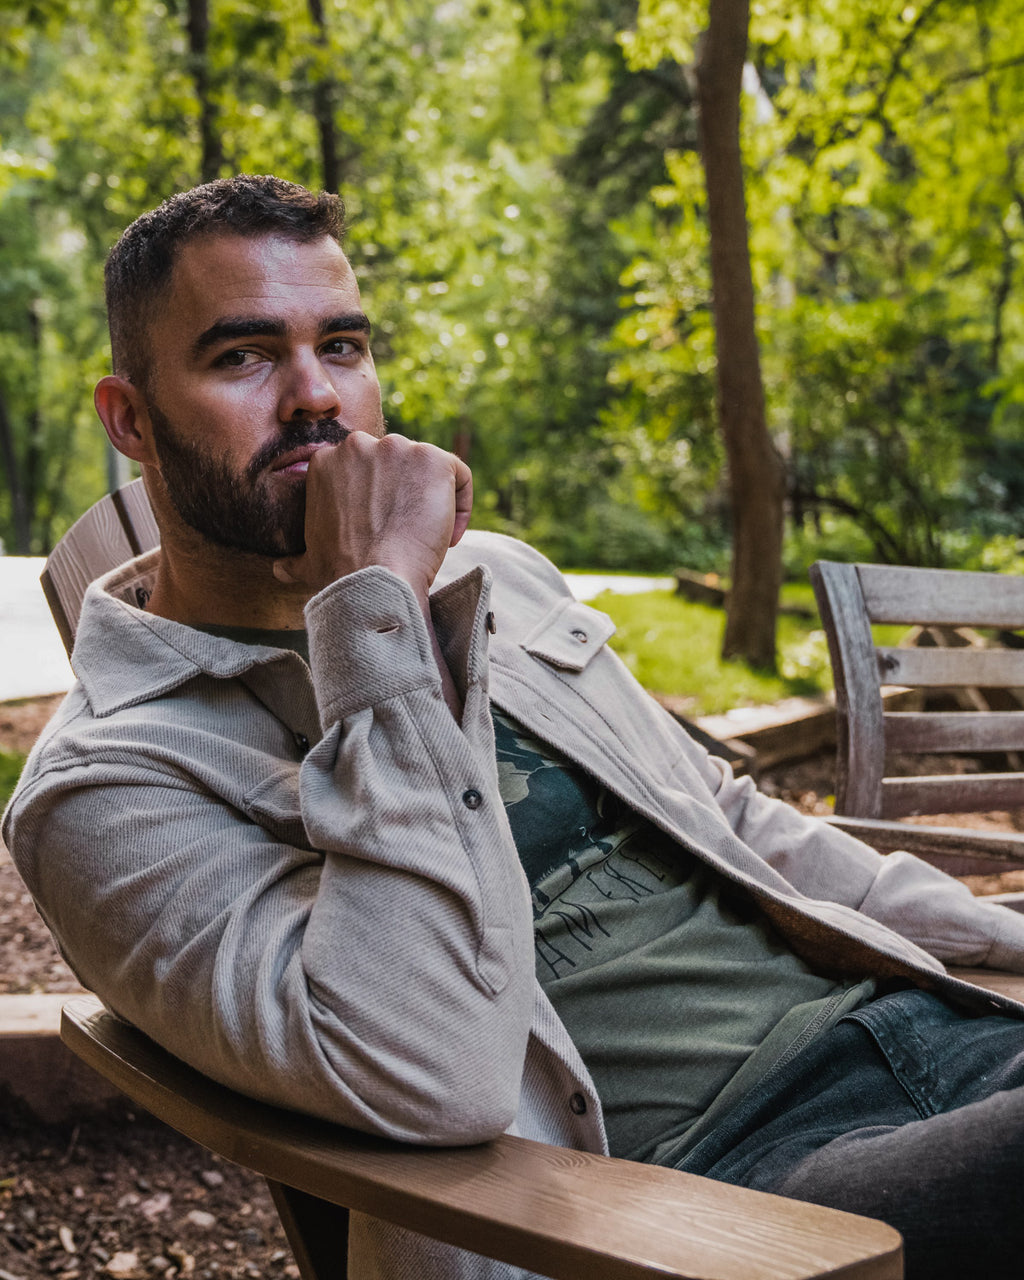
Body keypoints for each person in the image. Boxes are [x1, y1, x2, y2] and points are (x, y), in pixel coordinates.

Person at [6, 174, 1024, 1280]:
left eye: (342, 346)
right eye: (243, 356)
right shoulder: (111, 783)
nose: (316, 396)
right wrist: (371, 613)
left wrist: (996, 936)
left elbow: (730, 817)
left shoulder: (499, 579)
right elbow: (422, 1072)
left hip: (931, 1034)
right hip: (732, 1193)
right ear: (131, 420)